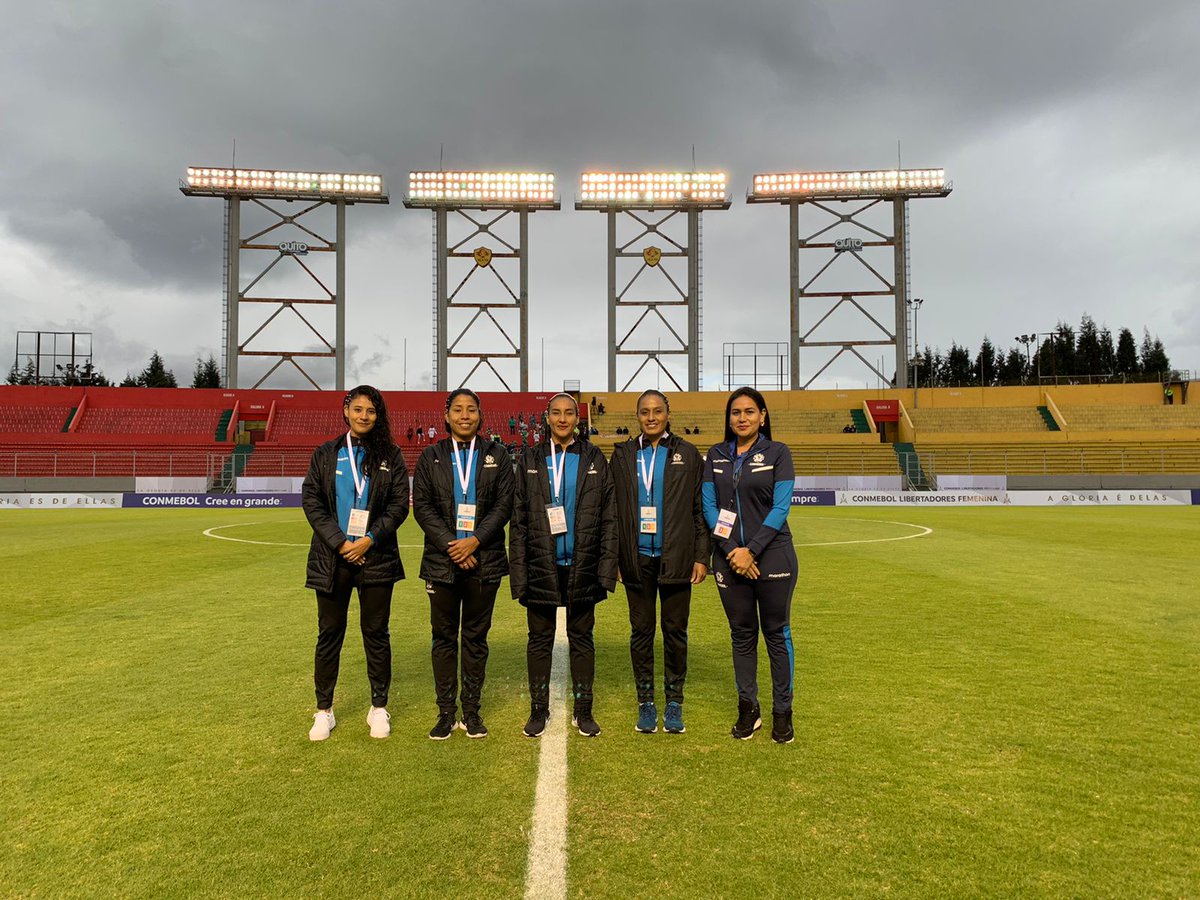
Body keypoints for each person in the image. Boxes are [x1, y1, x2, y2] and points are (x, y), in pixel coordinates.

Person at [302, 385, 409, 741]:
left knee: (376, 634)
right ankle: (324, 711)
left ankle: (379, 707)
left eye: (371, 411)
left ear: (379, 416)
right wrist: (339, 542)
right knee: (329, 634)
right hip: (332, 559)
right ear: (346, 410)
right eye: (358, 409)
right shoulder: (326, 453)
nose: (364, 416)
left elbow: (398, 506)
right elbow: (312, 501)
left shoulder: (390, 454)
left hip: (376, 556)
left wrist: (368, 539)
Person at [510, 392, 617, 738]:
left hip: (583, 563)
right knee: (539, 640)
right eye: (556, 413)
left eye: (569, 413)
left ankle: (583, 711)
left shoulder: (595, 458)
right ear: (547, 417)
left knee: (582, 639)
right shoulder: (530, 457)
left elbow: (609, 518)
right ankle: (538, 710)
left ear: (577, 418)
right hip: (542, 562)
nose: (562, 419)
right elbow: (520, 519)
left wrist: (606, 566)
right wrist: (519, 572)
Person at [413, 389, 515, 740]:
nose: (465, 415)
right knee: (443, 639)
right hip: (442, 563)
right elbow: (422, 507)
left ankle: (471, 712)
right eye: (458, 409)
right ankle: (445, 714)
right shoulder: (431, 456)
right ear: (446, 416)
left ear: (480, 415)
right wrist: (451, 545)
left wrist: (475, 540)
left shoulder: (498, 455)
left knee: (475, 638)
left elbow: (504, 504)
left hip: (484, 561)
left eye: (471, 409)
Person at [702, 386, 798, 744]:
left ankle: (782, 713)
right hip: (729, 557)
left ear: (763, 416)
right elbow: (709, 507)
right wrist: (732, 551)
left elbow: (780, 507)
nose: (742, 418)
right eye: (735, 412)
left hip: (772, 554)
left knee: (776, 633)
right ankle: (748, 709)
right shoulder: (715, 455)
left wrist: (751, 551)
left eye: (749, 412)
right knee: (742, 635)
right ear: (729, 418)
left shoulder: (778, 452)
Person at [610, 390, 708, 735]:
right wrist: (615, 559)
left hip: (677, 557)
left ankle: (674, 701)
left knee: (675, 631)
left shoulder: (687, 453)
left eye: (657, 411)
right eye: (644, 412)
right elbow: (613, 511)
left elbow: (699, 509)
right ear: (637, 416)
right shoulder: (622, 455)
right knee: (641, 632)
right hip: (635, 560)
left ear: (668, 414)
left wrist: (700, 556)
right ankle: (646, 702)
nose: (651, 417)